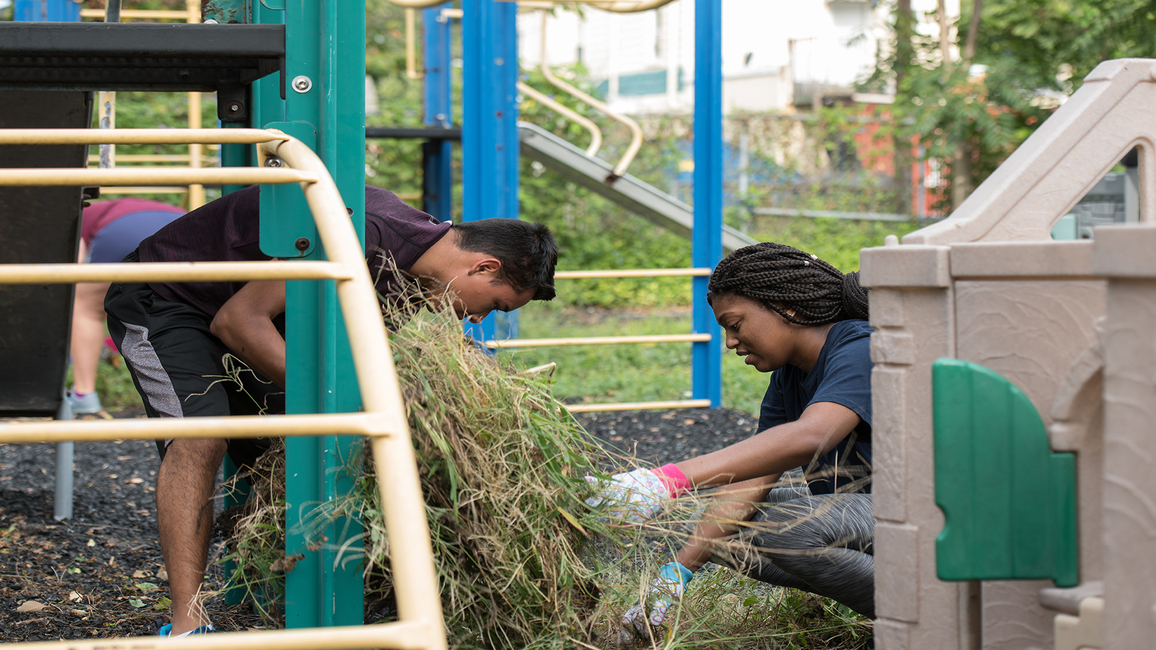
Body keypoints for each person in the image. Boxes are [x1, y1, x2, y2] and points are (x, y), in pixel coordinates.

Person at [104, 184, 559, 637]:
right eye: (494, 305)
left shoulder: (418, 275)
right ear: (484, 266)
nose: (476, 320)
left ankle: (314, 589)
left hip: (249, 311)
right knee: (201, 437)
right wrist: (339, 403)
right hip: (168, 299)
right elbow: (237, 321)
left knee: (304, 439)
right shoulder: (362, 235)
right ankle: (188, 621)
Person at [588, 242, 874, 642]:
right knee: (724, 528)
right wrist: (677, 576)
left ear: (785, 307)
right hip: (868, 514)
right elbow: (752, 478)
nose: (729, 342)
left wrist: (667, 479)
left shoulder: (860, 346)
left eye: (735, 324)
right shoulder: (789, 375)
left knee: (782, 528)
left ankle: (916, 610)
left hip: (920, 514)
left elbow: (812, 434)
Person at [68, 198, 185, 414]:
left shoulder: (71, 213)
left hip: (122, 229)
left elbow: (74, 263)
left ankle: (84, 395)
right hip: (184, 223)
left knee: (85, 308)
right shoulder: (112, 207)